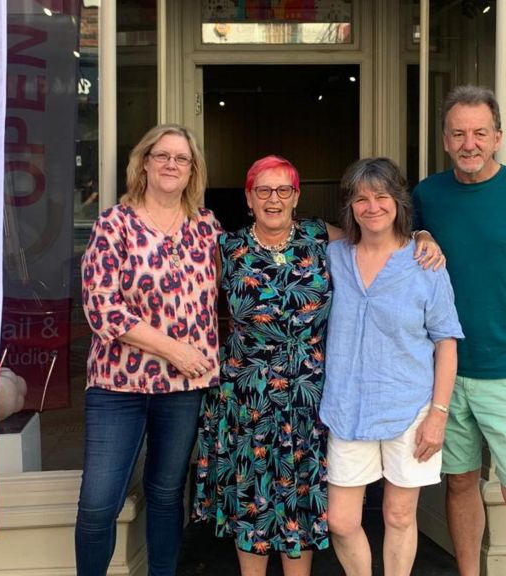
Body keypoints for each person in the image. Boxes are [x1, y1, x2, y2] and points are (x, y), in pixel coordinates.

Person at [193, 155, 445, 576]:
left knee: (300, 508)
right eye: (263, 191)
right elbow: (190, 306)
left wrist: (421, 234)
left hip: (308, 399)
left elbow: (378, 235)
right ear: (248, 198)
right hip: (245, 399)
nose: (274, 199)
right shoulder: (226, 248)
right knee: (252, 508)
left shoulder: (318, 237)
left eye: (283, 190)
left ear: (296, 196)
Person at [412, 85, 506, 576]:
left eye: (479, 133)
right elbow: (391, 246)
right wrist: (420, 232)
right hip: (446, 374)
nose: (469, 143)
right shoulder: (427, 195)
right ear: (445, 140)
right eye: (459, 134)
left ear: (498, 136)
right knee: (459, 484)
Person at [77, 124, 222, 576]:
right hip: (117, 386)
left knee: (165, 494)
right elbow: (102, 307)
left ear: (193, 169)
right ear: (143, 162)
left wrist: (415, 237)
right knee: (100, 502)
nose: (171, 165)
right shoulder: (114, 222)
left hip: (182, 390)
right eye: (162, 155)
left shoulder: (206, 227)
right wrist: (174, 350)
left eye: (182, 158)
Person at [320, 157, 463, 576]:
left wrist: (439, 414)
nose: (372, 206)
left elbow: (446, 343)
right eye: (361, 199)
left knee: (399, 516)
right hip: (347, 407)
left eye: (381, 196)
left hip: (410, 407)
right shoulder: (334, 256)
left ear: (398, 201)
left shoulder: (426, 264)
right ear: (350, 207)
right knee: (341, 521)